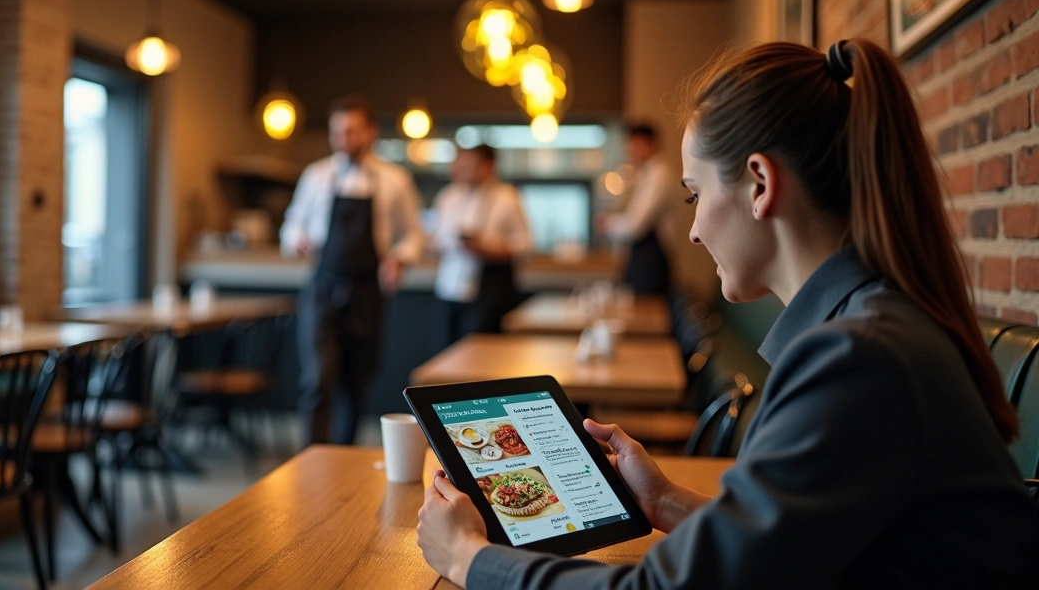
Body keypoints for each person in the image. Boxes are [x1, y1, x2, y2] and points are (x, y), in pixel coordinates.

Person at [415, 40, 1039, 588]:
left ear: (761, 185)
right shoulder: (873, 325)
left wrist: (469, 557)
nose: (691, 231)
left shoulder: (858, 354)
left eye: (695, 194)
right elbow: (784, 547)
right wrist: (661, 501)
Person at [280, 95, 423, 445]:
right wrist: (296, 239)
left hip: (367, 292)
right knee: (317, 378)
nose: (343, 139)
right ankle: (309, 457)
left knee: (356, 382)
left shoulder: (394, 179)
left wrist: (399, 258)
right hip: (322, 288)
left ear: (370, 132)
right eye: (337, 132)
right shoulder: (316, 176)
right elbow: (291, 225)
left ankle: (342, 454)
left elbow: (415, 234)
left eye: (351, 131)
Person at [430, 145, 531, 348]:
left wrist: (488, 248)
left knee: (482, 351)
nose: (461, 170)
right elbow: (434, 239)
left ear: (488, 166)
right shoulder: (448, 197)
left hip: (490, 286)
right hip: (450, 288)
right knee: (446, 351)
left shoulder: (507, 196)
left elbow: (525, 245)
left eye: (469, 165)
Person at [601, 124, 677, 296]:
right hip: (642, 258)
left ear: (651, 144)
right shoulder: (645, 175)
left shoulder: (660, 176)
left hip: (652, 260)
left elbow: (636, 225)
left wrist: (609, 224)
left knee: (647, 313)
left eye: (635, 146)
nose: (631, 152)